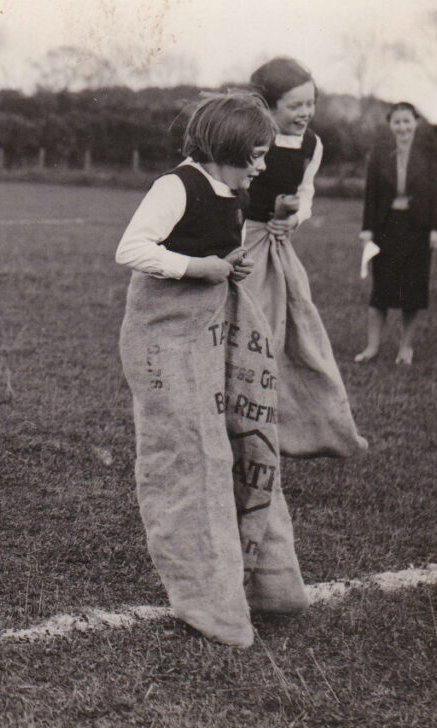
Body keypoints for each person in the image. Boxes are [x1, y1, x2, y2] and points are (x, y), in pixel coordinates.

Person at [118, 92, 310, 647]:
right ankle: (208, 601)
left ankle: (266, 582)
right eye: (254, 152)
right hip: (166, 339)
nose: (262, 164)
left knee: (250, 447)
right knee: (191, 457)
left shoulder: (233, 192)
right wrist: (198, 266)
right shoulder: (176, 186)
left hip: (215, 332)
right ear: (224, 146)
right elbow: (131, 249)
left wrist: (228, 264)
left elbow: (214, 255)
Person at [245, 57, 366, 457]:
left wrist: (294, 218)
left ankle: (299, 428)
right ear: (269, 106)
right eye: (294, 105)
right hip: (239, 243)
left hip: (278, 250)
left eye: (310, 103)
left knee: (292, 334)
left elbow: (307, 195)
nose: (305, 113)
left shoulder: (313, 146)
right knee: (244, 332)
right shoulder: (244, 136)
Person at [356, 102, 437, 365]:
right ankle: (372, 347)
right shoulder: (380, 153)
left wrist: (435, 229)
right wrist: (367, 230)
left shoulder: (430, 152)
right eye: (397, 122)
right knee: (381, 289)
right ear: (391, 125)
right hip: (386, 228)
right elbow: (371, 195)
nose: (402, 127)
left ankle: (406, 348)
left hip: (418, 227)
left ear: (416, 122)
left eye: (407, 121)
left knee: (412, 290)